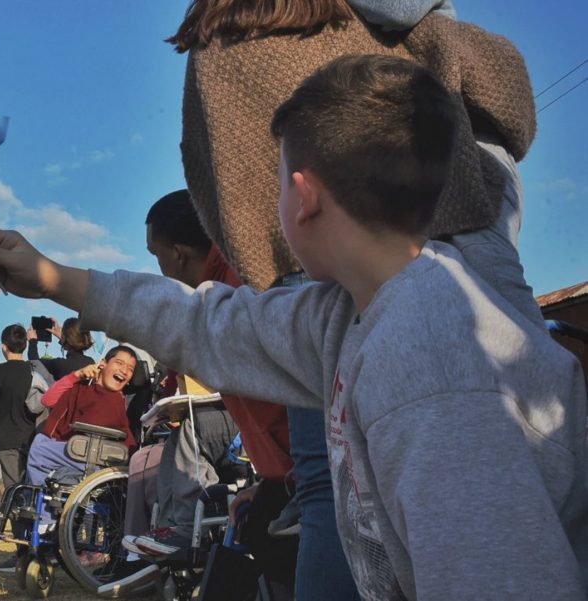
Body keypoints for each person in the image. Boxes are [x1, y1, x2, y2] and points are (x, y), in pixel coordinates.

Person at [0, 55, 588, 599]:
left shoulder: (437, 378)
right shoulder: (349, 314)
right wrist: (51, 276)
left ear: (301, 195)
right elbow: (203, 322)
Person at [168, 2, 542, 597]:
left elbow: (204, 165)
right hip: (431, 247)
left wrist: (265, 253)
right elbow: (505, 96)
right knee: (489, 462)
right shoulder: (381, 17)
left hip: (300, 262)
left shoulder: (216, 32)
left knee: (330, 490)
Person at [122, 190, 295, 586]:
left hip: (302, 464)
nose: (159, 266)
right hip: (281, 467)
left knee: (191, 436)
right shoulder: (225, 284)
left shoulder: (234, 291)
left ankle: (181, 526)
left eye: (157, 255)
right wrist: (266, 482)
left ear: (179, 253)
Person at [25, 346, 139, 488]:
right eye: (119, 363)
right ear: (102, 363)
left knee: (38, 452)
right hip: (80, 449)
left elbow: (97, 422)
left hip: (97, 455)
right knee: (40, 440)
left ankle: (39, 504)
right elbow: (47, 400)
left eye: (130, 369)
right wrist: (76, 375)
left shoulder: (115, 399)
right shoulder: (83, 387)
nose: (124, 370)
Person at [0, 324, 38, 571]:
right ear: (24, 345)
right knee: (34, 492)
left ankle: (22, 551)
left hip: (7, 439)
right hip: (34, 439)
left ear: (4, 347)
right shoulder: (32, 369)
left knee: (14, 493)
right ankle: (39, 545)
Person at [27, 316, 96, 381]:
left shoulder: (60, 365)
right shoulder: (90, 362)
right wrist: (64, 338)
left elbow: (34, 363)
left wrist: (32, 341)